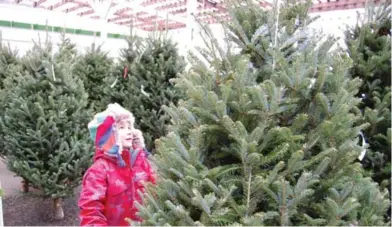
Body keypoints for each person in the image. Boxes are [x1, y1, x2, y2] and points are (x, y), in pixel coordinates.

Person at [78, 103, 155, 226]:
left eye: (129, 127)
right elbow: (91, 212)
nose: (129, 132)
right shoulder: (99, 170)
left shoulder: (141, 162)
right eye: (121, 128)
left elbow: (158, 192)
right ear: (109, 135)